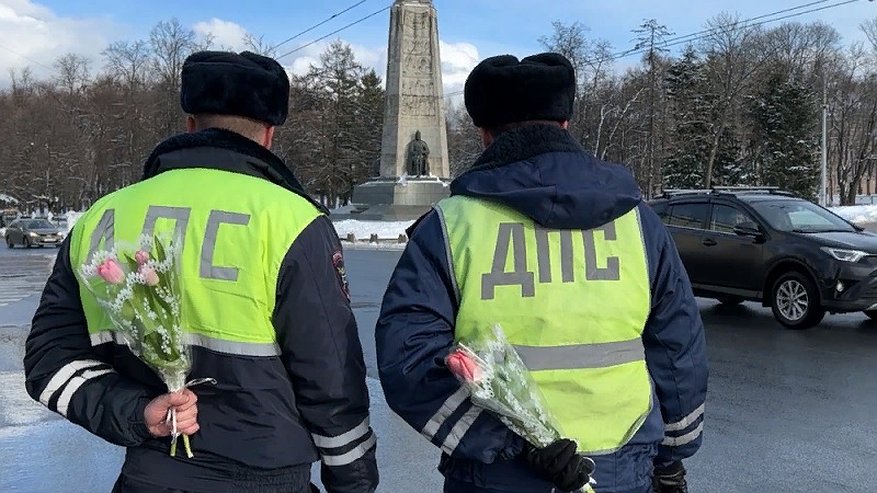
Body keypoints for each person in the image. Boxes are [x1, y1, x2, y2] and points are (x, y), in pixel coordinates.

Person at [24, 50, 378, 493]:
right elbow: (331, 377)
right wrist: (354, 481)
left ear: (190, 124)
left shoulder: (102, 217)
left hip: (149, 477)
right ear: (268, 135)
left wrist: (137, 411)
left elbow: (49, 362)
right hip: (267, 478)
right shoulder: (292, 220)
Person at [375, 52, 707, 493]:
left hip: (496, 476)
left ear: (485, 134)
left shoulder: (450, 226)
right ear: (565, 124)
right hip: (620, 470)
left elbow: (408, 359)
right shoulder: (637, 222)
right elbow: (678, 348)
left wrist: (506, 441)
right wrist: (672, 457)